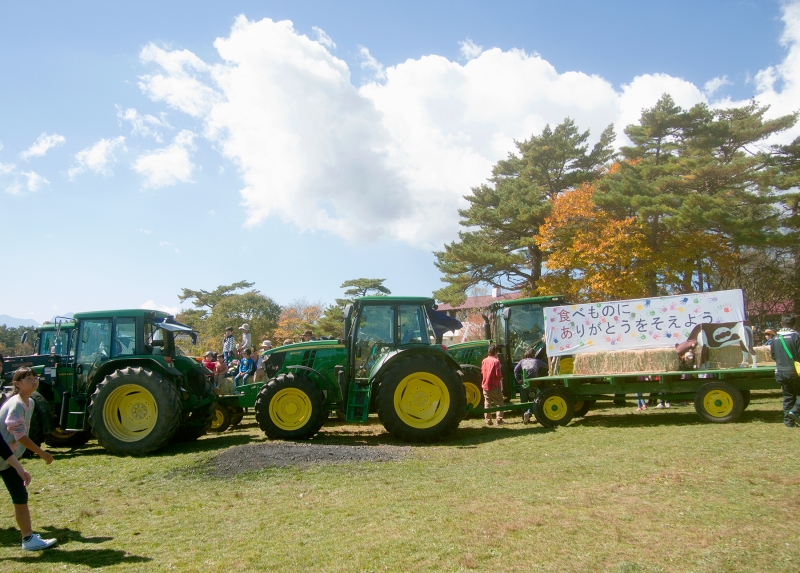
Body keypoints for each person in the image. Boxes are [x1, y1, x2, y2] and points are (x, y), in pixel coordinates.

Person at [0, 368, 56, 551]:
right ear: (17, 384)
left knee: (20, 495)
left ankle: (28, 539)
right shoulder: (16, 404)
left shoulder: (29, 402)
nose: (34, 381)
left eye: (35, 377)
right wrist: (42, 452)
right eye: (29, 378)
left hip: (6, 460)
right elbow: (19, 436)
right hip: (4, 458)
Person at [771, 315, 800, 427]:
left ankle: (789, 422)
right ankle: (795, 411)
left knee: (788, 396)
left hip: (780, 371)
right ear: (795, 324)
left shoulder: (775, 338)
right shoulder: (796, 336)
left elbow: (773, 355)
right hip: (794, 371)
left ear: (781, 324)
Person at [513, 347, 547, 424]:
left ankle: (524, 417)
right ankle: (528, 413)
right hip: (533, 384)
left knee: (524, 401)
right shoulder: (537, 361)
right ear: (534, 354)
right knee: (534, 401)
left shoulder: (522, 361)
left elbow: (515, 370)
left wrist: (518, 379)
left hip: (523, 384)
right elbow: (547, 366)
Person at [481, 344, 504, 425]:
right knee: (499, 403)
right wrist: (501, 378)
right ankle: (499, 420)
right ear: (496, 352)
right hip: (494, 386)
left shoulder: (484, 361)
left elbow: (482, 372)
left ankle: (488, 420)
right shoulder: (496, 361)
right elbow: (498, 374)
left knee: (487, 404)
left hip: (485, 386)